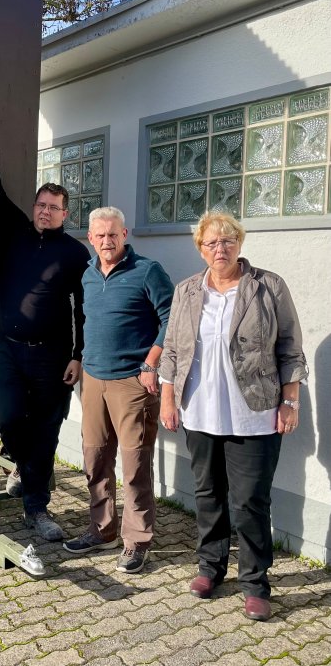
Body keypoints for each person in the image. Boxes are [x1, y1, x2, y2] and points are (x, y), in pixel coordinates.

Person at [159, 212, 307, 621]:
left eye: (227, 241)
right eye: (211, 243)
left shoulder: (268, 286)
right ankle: (210, 567)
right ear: (201, 249)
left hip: (253, 414)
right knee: (208, 495)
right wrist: (168, 399)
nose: (220, 249)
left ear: (239, 244)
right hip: (200, 411)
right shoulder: (188, 290)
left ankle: (255, 583)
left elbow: (290, 347)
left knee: (250, 502)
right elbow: (171, 349)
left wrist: (290, 401)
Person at [0, 158, 89, 541]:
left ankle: (36, 508)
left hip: (53, 354)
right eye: (41, 205)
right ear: (34, 207)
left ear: (65, 214)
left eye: (54, 207)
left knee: (47, 429)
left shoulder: (75, 254)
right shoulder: (15, 233)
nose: (45, 212)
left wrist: (78, 355)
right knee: (8, 416)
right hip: (8, 347)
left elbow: (83, 308)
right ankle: (22, 463)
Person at [63, 206, 173, 573]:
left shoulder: (148, 271)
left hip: (132, 382)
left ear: (124, 235)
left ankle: (136, 540)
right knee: (95, 459)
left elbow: (171, 319)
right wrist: (79, 358)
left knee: (135, 465)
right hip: (94, 380)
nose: (107, 241)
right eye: (100, 235)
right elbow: (84, 321)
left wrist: (151, 363)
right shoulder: (88, 274)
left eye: (113, 234)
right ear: (91, 239)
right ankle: (102, 530)